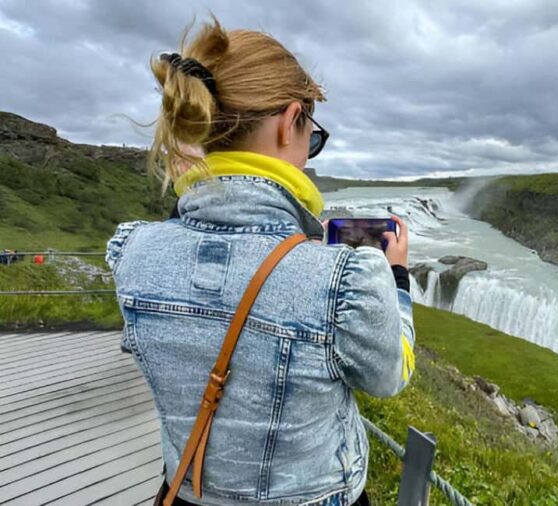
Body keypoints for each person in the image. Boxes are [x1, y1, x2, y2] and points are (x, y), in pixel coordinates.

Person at [105, 16, 414, 506]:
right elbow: (390, 376)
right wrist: (396, 277)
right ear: (291, 120)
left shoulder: (131, 253)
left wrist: (200, 177)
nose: (308, 155)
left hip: (184, 492)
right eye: (311, 137)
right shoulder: (344, 278)